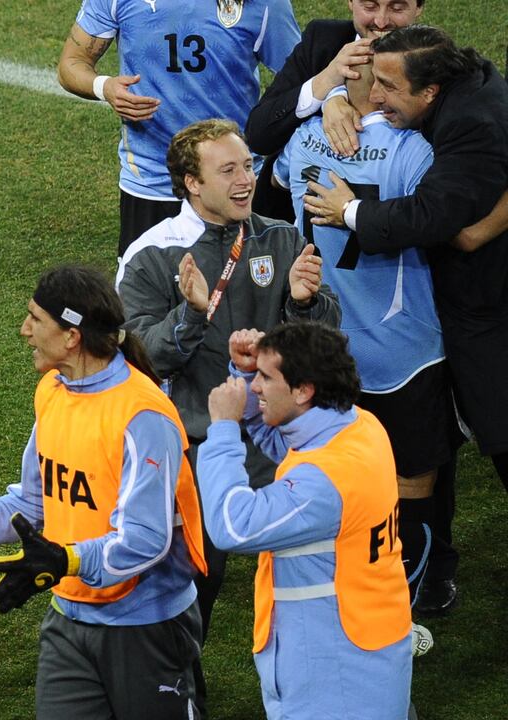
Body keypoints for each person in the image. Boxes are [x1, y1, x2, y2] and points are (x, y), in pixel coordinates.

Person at [0, 265, 209, 718]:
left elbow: (145, 540)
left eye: (35, 320)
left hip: (146, 626)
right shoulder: (54, 392)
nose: (24, 330)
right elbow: (34, 502)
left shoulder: (143, 416)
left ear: (71, 337)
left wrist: (67, 560)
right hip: (70, 616)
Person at [116, 118, 341, 640]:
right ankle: (179, 686)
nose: (245, 180)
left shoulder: (281, 237)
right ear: (192, 183)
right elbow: (137, 359)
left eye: (248, 166)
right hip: (195, 443)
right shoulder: (152, 253)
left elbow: (325, 347)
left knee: (314, 561)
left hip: (280, 435)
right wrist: (191, 316)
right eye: (228, 170)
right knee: (195, 581)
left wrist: (303, 304)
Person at [303, 26, 508, 502]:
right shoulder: (468, 83)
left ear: (431, 90)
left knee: (496, 420)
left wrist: (348, 211)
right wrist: (334, 94)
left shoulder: (470, 123)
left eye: (389, 87)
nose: (374, 97)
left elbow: (435, 219)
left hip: (487, 304)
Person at [274, 59, 449, 611]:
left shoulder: (302, 140)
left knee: (325, 473)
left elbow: (272, 166)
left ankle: (338, 589)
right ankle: (407, 599)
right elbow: (439, 219)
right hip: (405, 349)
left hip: (323, 345)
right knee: (412, 484)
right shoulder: (416, 150)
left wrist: (325, 105)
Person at [197, 322, 412, 719]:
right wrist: (245, 375)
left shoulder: (323, 484)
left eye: (265, 378)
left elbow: (232, 525)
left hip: (335, 681)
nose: (255, 388)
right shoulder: (358, 427)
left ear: (303, 389)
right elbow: (288, 443)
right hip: (363, 654)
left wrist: (224, 430)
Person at [56, 0, 300, 253]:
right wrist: (103, 87)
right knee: (148, 288)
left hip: (233, 182)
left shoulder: (265, 3)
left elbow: (301, 75)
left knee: (241, 288)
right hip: (151, 181)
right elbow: (71, 63)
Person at [245, 0, 426, 218]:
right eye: (370, 6)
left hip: (392, 226)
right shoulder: (322, 40)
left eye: (397, 8)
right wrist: (326, 84)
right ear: (350, 2)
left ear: (419, 7)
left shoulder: (434, 60)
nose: (381, 21)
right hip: (292, 229)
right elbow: (259, 135)